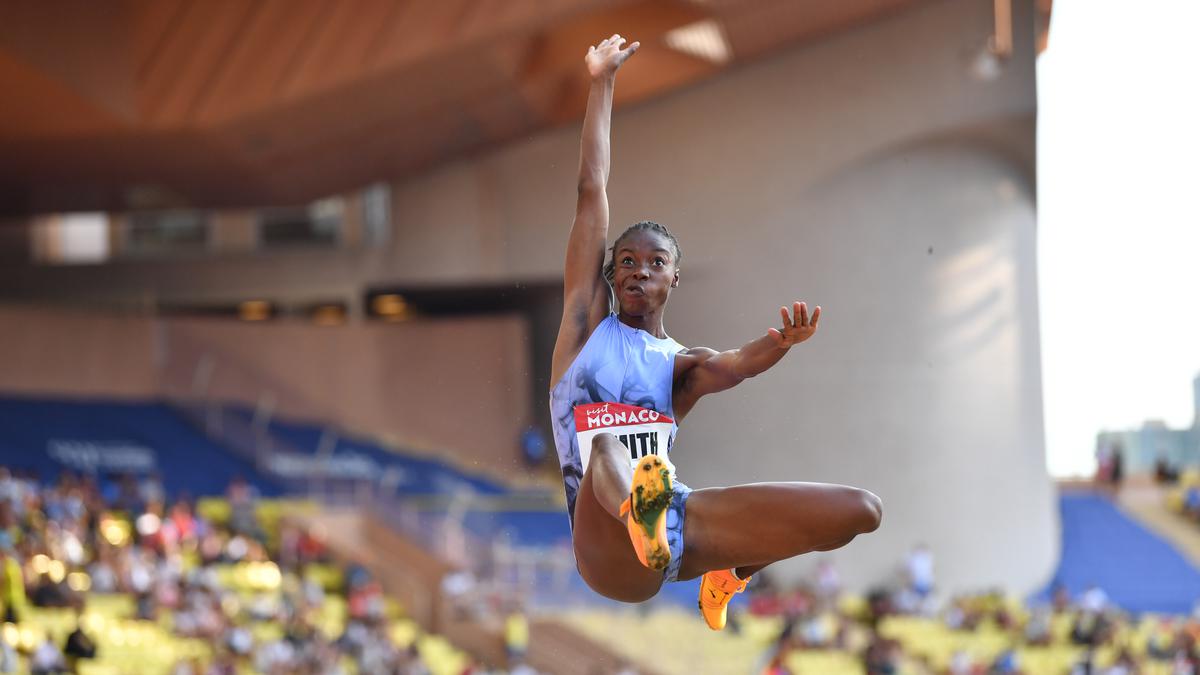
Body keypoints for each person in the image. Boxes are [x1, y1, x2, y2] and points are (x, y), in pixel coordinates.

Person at [549, 33, 883, 631]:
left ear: (674, 280)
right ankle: (636, 508)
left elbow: (737, 363)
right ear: (607, 274)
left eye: (654, 263)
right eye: (625, 260)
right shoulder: (582, 328)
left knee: (861, 512)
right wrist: (601, 83)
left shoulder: (682, 367)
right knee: (604, 443)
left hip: (679, 528)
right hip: (605, 548)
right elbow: (589, 192)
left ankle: (728, 573)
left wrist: (781, 342)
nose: (638, 270)